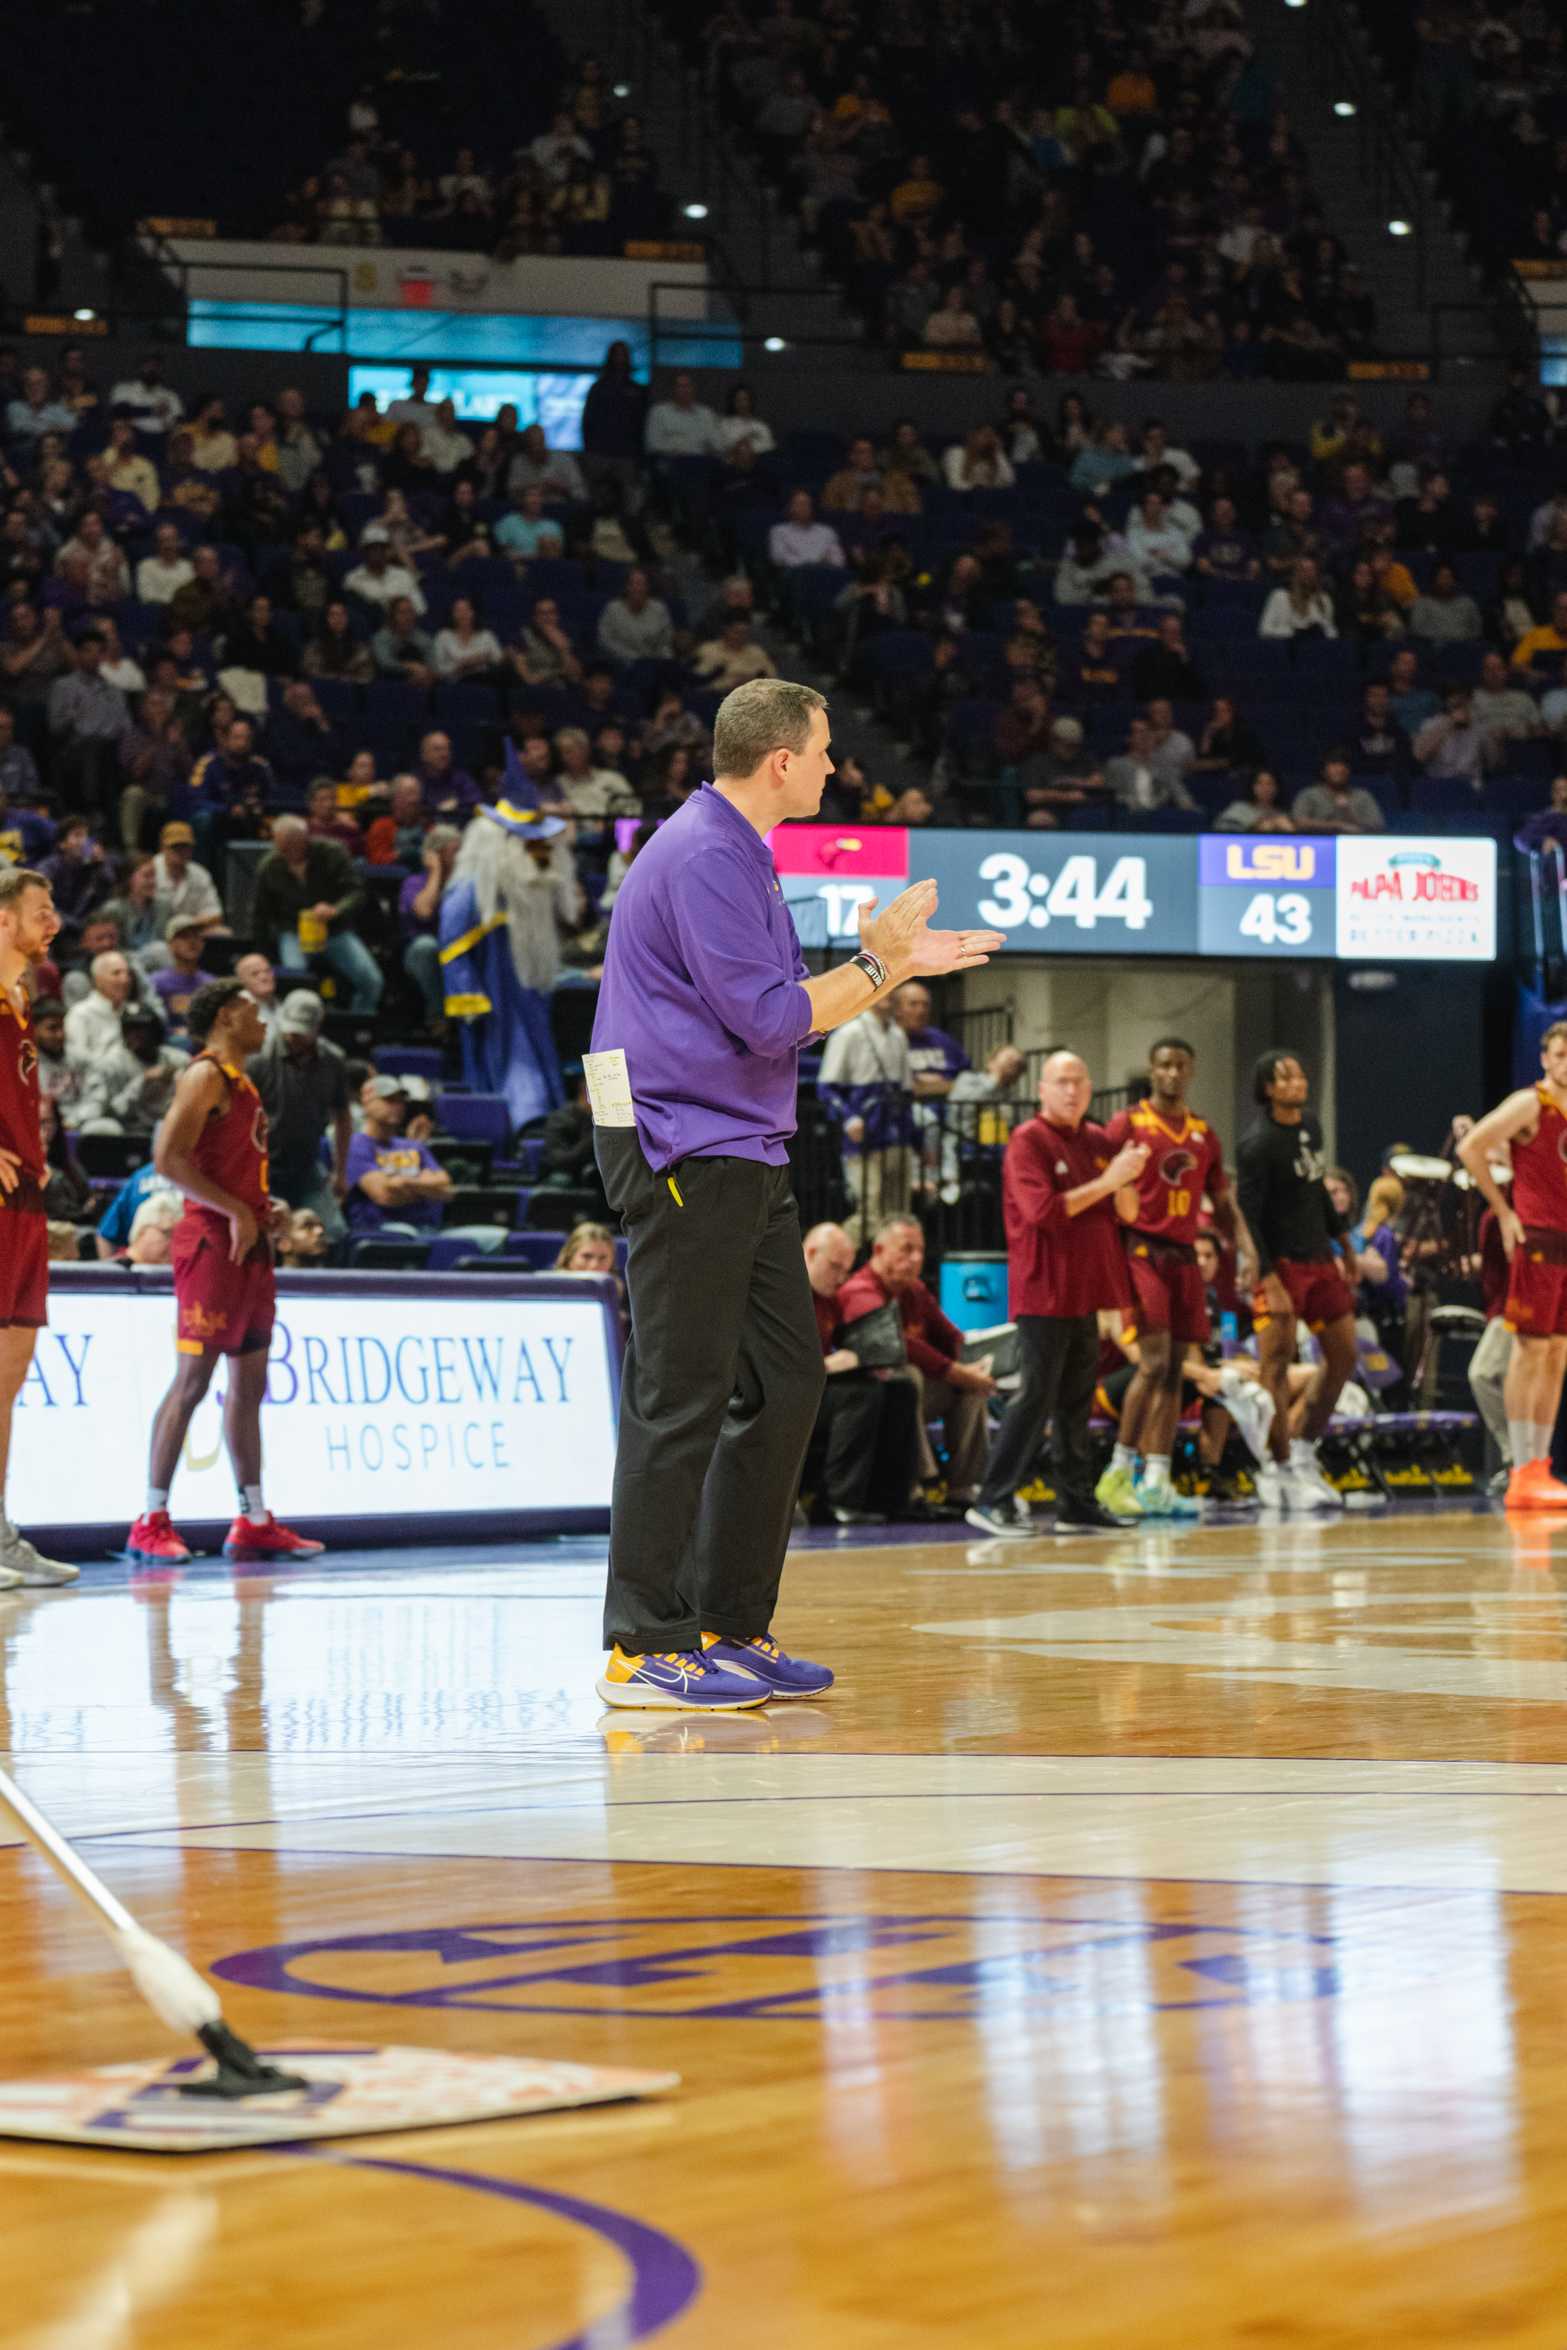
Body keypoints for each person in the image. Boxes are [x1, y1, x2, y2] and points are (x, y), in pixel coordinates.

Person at [587, 675, 1001, 1710]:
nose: (833, 766)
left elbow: (777, 1010)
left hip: (743, 1145)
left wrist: (886, 971)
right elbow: (775, 1021)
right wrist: (879, 962)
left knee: (785, 1380)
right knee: (678, 1393)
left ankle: (727, 1622)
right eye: (823, 750)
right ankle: (641, 1642)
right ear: (781, 760)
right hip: (684, 1142)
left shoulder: (737, 853)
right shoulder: (704, 853)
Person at [124, 978, 325, 1566]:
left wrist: (265, 1209)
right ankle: (150, 1517)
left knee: (249, 1386)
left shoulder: (242, 1083)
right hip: (212, 1247)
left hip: (251, 1245)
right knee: (193, 1382)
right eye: (251, 1008)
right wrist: (235, 1209)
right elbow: (167, 1158)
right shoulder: (203, 1074)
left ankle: (254, 1517)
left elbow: (229, 1169)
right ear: (223, 1017)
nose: (262, 1017)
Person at [964, 1050, 1148, 1541]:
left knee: (1076, 1401)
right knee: (1036, 1395)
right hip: (1044, 1288)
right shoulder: (1028, 1141)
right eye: (1062, 1081)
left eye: (1079, 1081)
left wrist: (1127, 1176)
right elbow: (1044, 1211)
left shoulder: (1095, 1139)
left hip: (1087, 1288)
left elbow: (1128, 1211)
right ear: (1042, 1089)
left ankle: (1076, 1503)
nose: (1072, 1090)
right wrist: (1110, 1180)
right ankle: (992, 1498)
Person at [1098, 1038, 1256, 1519]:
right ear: (1151, 1070)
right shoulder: (1128, 1122)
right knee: (1152, 1363)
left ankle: (1157, 1480)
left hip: (1184, 1253)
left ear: (1191, 1072)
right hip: (1140, 1248)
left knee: (1172, 1371)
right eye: (1163, 1064)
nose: (1171, 1073)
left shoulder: (1204, 1132)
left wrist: (1247, 1249)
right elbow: (1100, 1184)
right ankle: (1117, 1472)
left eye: (1180, 1065)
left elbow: (1224, 1203)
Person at [1236, 1051, 1358, 1512]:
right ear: (1267, 1088)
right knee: (1276, 1365)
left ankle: (1304, 1448)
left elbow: (1317, 1190)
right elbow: (1247, 1214)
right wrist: (1268, 1275)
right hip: (1280, 1265)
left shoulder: (1312, 1126)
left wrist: (1344, 1244)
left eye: (1300, 1075)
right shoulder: (1256, 1144)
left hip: (1320, 1259)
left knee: (1343, 1357)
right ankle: (1276, 1465)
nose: (1296, 1082)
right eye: (1284, 1077)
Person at [0, 867, 76, 1585]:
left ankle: (0, 1533)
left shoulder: (20, 999)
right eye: (41, 912)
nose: (53, 923)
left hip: (24, 1201)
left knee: (10, 1374)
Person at [1458, 1025, 1567, 1509]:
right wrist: (1505, 1212)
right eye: (1561, 1055)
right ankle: (1521, 1466)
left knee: (1557, 1355)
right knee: (1530, 1351)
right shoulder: (1531, 1104)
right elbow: (1472, 1147)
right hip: (1538, 1237)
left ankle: (1541, 1466)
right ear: (1545, 1057)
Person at [438, 755, 576, 1129]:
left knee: (539, 1051)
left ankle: (545, 1121)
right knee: (513, 1063)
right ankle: (524, 1119)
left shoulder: (534, 889)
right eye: (529, 844)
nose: (540, 852)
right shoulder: (473, 890)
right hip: (495, 993)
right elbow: (452, 943)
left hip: (531, 991)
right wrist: (467, 993)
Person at [836, 1215, 995, 1514]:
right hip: (873, 1406)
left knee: (972, 1389)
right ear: (879, 1250)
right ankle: (916, 1485)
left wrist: (978, 1366)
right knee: (906, 1377)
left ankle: (964, 1487)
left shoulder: (916, 1291)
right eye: (906, 1249)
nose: (916, 1258)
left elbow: (951, 1336)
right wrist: (955, 1371)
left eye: (920, 1250)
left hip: (917, 1397)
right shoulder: (859, 1290)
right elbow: (899, 1344)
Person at [803, 1219, 923, 1524]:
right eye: (834, 1267)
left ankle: (890, 1500)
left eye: (846, 1270)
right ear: (809, 1253)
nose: (841, 1278)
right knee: (859, 1395)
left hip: (816, 1385)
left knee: (899, 1387)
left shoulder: (830, 1300)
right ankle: (835, 1501)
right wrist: (826, 1365)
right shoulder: (785, 1295)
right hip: (786, 1395)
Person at [247, 989, 353, 1239]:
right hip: (262, 1164)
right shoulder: (258, 1058)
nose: (294, 1037)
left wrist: (341, 1171)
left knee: (334, 1232)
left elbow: (343, 1116)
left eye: (302, 1033)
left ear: (317, 1028)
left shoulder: (333, 1060)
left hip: (307, 1163)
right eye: (291, 1030)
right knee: (262, 1235)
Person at [253, 814, 382, 1013]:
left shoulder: (333, 852)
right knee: (294, 985)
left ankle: (358, 1026)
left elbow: (356, 891)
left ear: (306, 838)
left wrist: (336, 909)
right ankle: (298, 1030)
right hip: (294, 931)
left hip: (335, 929)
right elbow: (260, 914)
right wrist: (261, 955)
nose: (289, 851)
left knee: (372, 981)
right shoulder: (269, 867)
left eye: (294, 844)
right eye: (283, 847)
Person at [816, 994, 916, 1246]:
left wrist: (916, 1138)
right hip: (864, 1135)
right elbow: (827, 1088)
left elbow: (905, 1091)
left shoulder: (898, 1035)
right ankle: (836, 1254)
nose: (889, 996)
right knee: (869, 1210)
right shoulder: (850, 1033)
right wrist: (849, 1119)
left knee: (898, 1215)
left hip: (895, 1133)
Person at [345, 1075, 452, 1233]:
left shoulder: (413, 1146)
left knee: (494, 1238)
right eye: (389, 1100)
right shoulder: (355, 1145)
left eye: (401, 1101)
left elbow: (447, 1190)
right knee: (408, 1234)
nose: (397, 1106)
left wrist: (402, 1182)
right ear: (366, 1102)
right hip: (381, 1229)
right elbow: (384, 1196)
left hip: (431, 1228)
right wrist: (425, 1187)